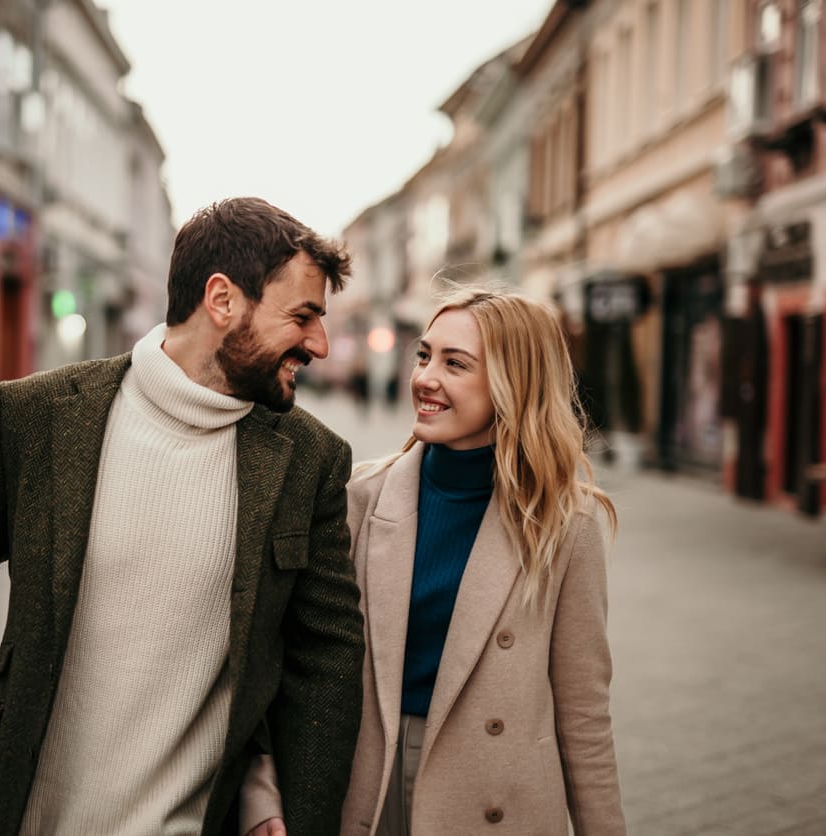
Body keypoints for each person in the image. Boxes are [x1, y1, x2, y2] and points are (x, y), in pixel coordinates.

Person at [0, 197, 366, 836]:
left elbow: (325, 660)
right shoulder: (43, 416)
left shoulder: (310, 462)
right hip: (20, 813)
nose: (320, 345)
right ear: (222, 301)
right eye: (303, 317)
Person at [243, 284, 625, 835]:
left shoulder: (566, 523)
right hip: (369, 786)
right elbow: (283, 665)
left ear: (512, 385)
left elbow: (584, 712)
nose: (424, 378)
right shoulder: (356, 498)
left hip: (500, 801)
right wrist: (263, 797)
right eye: (424, 355)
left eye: (455, 363)